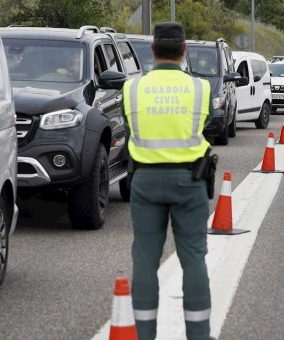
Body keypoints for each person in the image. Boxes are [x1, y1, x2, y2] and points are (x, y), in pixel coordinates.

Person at [123, 22, 215, 340]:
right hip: (189, 181)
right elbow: (207, 121)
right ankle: (199, 334)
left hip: (145, 181)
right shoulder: (201, 88)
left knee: (146, 258)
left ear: (152, 49)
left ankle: (145, 334)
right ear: (184, 50)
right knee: (193, 258)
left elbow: (129, 125)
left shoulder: (132, 88)